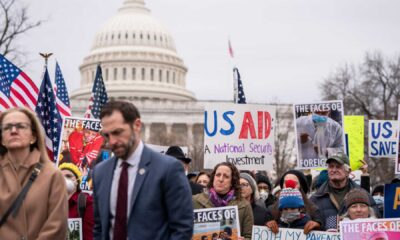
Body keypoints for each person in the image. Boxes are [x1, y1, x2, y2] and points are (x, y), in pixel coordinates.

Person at [92, 101, 193, 239]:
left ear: (137, 126)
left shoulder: (168, 169)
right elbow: (100, 228)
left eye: (117, 132)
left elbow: (182, 228)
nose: (112, 141)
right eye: (107, 135)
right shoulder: (100, 173)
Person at [0, 107, 68, 239]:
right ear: (2, 139)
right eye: (7, 127)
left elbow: (57, 226)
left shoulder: (52, 175)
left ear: (33, 136)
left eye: (21, 126)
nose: (13, 131)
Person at [310, 152, 379, 231]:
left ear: (348, 171)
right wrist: (317, 225)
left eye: (338, 167)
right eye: (331, 167)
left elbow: (375, 219)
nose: (334, 170)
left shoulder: (363, 195)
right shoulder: (315, 198)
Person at [192, 162, 254, 240]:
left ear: (232, 181)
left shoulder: (244, 205)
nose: (221, 179)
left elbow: (249, 236)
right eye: (218, 175)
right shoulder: (195, 201)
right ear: (213, 178)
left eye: (226, 176)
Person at [59, 162, 94, 240]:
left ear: (77, 181)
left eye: (68, 176)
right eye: (60, 176)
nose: (64, 179)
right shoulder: (52, 204)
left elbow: (90, 236)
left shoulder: (87, 201)